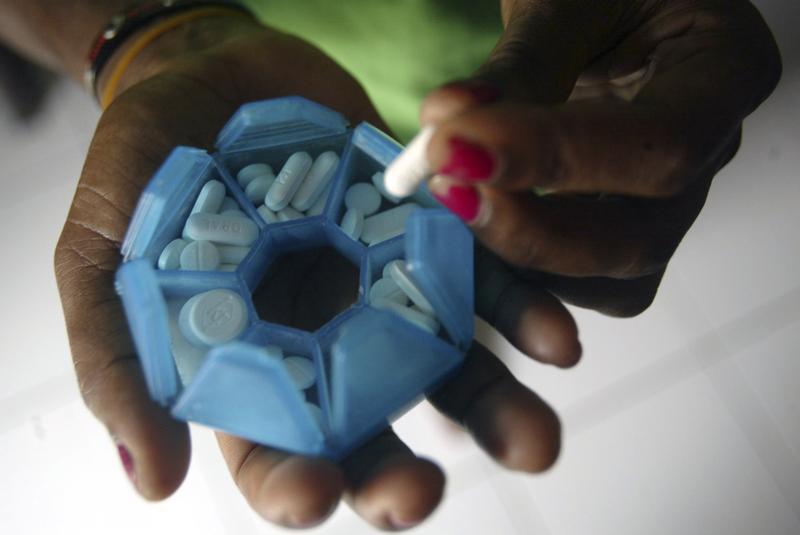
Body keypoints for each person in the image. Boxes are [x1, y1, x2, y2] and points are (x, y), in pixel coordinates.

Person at [0, 0, 781, 530]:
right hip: (329, 91)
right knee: (472, 272)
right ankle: (426, 355)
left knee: (484, 258)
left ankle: (431, 351)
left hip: (525, 105)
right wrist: (150, 34)